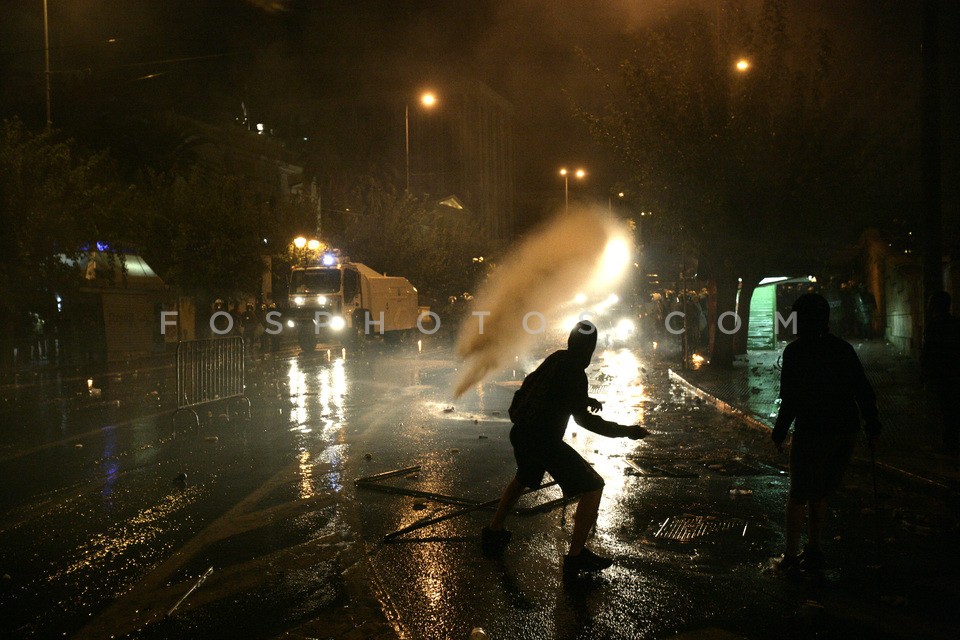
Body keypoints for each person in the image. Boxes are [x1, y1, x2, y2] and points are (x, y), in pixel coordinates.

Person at [482, 320, 649, 574]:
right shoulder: (575, 372)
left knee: (523, 477)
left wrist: (584, 400)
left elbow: (545, 388)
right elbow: (585, 421)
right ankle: (576, 556)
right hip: (543, 440)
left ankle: (494, 531)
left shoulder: (558, 358)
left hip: (522, 433)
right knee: (593, 486)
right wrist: (627, 432)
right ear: (589, 348)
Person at [772, 293, 881, 575]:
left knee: (798, 494)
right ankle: (815, 549)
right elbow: (863, 389)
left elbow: (791, 399)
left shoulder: (796, 352)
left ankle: (791, 556)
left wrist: (779, 433)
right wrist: (873, 425)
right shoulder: (843, 349)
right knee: (820, 491)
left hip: (813, 432)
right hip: (845, 431)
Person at [920, 291, 960, 455]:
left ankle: (950, 445)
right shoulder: (956, 323)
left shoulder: (934, 326)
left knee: (948, 411)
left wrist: (926, 375)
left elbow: (929, 353)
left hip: (943, 375)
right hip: (955, 373)